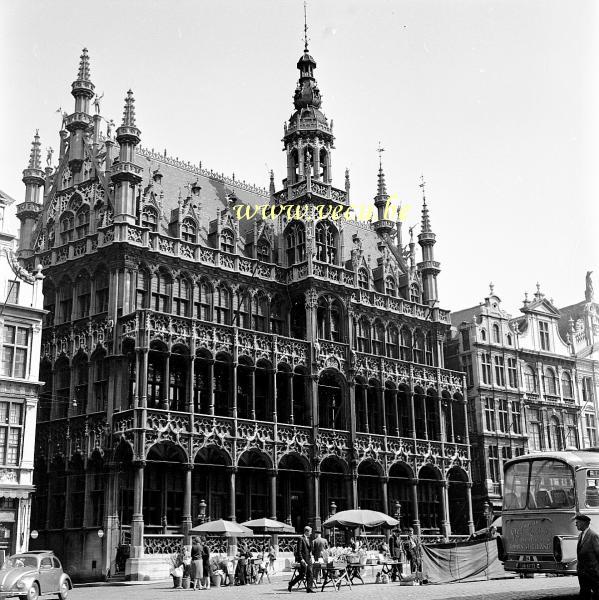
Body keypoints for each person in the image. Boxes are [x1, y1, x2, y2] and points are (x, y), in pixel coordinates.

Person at [576, 513, 599, 600]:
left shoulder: (593, 536)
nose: (576, 524)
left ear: (584, 523)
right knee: (584, 594)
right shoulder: (580, 536)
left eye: (577, 522)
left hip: (593, 573)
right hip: (582, 573)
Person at [288, 525, 315, 593]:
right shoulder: (301, 538)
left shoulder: (309, 539)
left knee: (310, 573)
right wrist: (301, 559)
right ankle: (291, 583)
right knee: (302, 574)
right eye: (310, 532)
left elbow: (309, 549)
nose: (311, 533)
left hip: (309, 558)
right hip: (303, 559)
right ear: (306, 531)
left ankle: (309, 588)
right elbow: (299, 550)